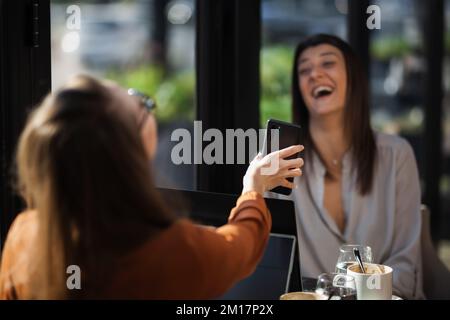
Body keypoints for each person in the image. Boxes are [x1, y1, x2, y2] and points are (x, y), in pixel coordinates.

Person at [0, 75, 304, 299]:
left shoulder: (24, 234)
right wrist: (254, 188)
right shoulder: (167, 250)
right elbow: (240, 248)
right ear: (128, 148)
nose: (150, 110)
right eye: (142, 105)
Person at [269, 34, 423, 299]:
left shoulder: (396, 155)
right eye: (304, 70)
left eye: (327, 63)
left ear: (353, 78)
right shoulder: (280, 159)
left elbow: (406, 265)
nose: (314, 74)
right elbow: (268, 256)